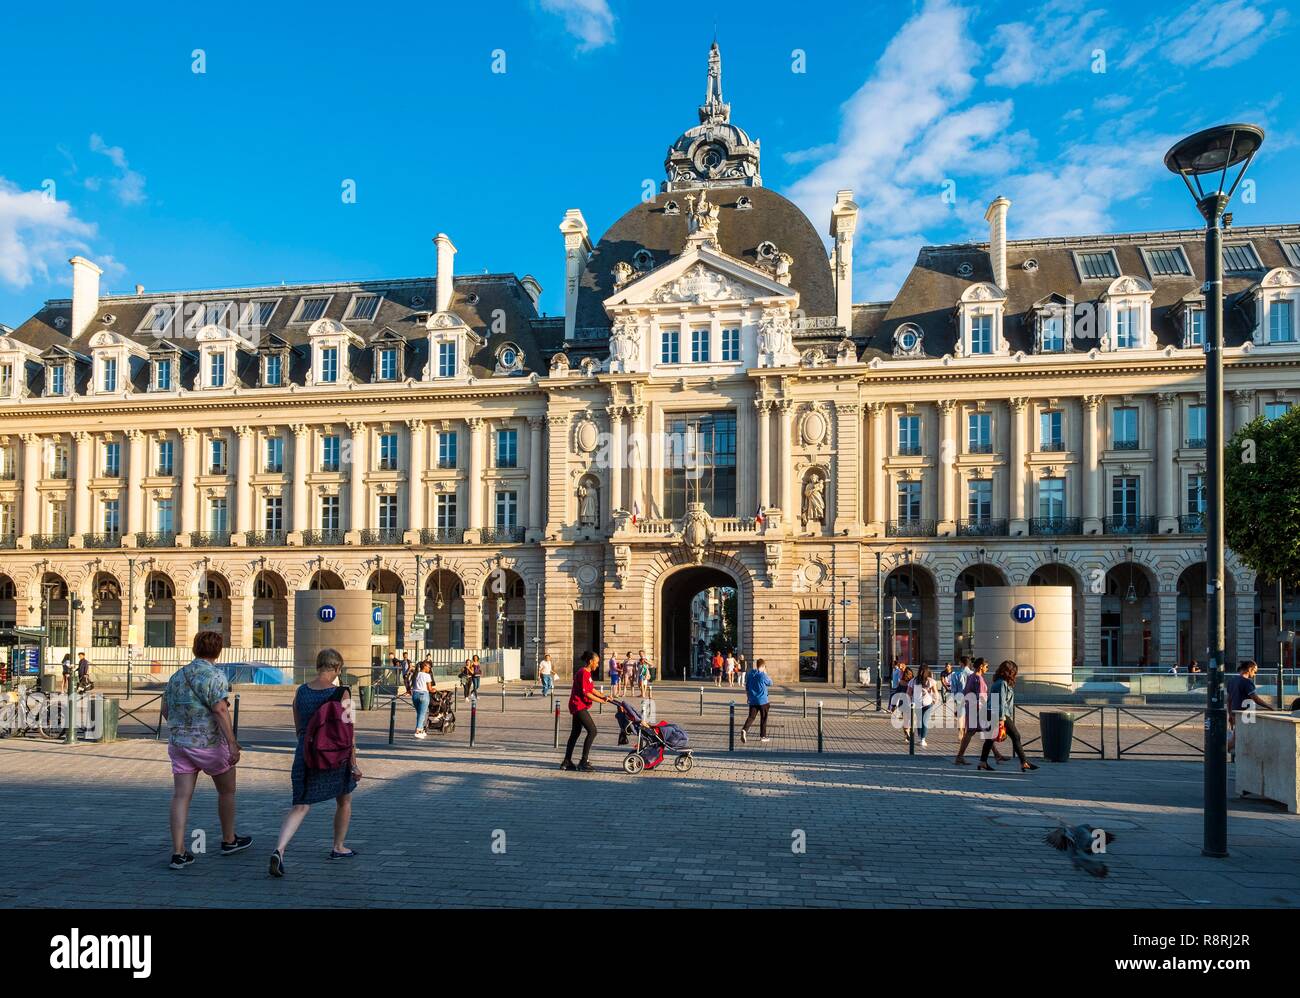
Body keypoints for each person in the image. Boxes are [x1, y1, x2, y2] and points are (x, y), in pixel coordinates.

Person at [160, 630, 251, 870]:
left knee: (181, 796)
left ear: (194, 648)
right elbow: (220, 710)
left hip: (180, 744)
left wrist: (181, 727)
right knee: (227, 792)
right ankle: (229, 839)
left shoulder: (177, 676)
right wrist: (232, 742)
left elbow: (165, 710)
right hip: (209, 744)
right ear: (219, 650)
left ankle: (178, 852)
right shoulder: (215, 676)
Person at [269, 648, 361, 877]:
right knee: (344, 799)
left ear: (317, 666)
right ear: (338, 668)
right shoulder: (343, 693)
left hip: (306, 754)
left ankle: (279, 850)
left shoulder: (301, 692)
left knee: (300, 805)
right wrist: (354, 763)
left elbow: (299, 728)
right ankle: (338, 847)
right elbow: (350, 732)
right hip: (335, 756)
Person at [978, 661, 1038, 772]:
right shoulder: (1002, 683)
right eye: (1014, 671)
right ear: (1010, 671)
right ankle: (1024, 762)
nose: (1015, 674)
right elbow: (1001, 701)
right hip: (1000, 713)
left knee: (990, 738)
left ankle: (983, 762)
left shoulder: (998, 681)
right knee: (1016, 736)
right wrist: (1001, 719)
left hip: (993, 712)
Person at [561, 651, 609, 772]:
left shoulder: (587, 674)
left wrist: (604, 696)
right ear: (590, 662)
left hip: (578, 705)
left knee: (575, 733)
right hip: (578, 706)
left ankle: (567, 761)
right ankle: (583, 761)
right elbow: (586, 693)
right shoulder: (583, 673)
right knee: (592, 731)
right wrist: (600, 701)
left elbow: (591, 689)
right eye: (596, 662)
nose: (597, 665)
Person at [954, 658, 1005, 765]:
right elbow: (981, 697)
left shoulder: (971, 677)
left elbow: (965, 692)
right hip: (978, 710)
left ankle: (997, 755)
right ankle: (960, 756)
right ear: (981, 666)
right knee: (981, 732)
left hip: (971, 708)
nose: (987, 668)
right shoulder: (979, 679)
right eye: (986, 666)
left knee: (981, 732)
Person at [1227, 660, 1272, 751]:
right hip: (1246, 716)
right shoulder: (1247, 682)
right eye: (1255, 671)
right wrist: (1269, 707)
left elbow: (1229, 700)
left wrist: (1230, 714)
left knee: (1239, 737)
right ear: (1250, 669)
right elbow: (1256, 699)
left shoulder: (1231, 681)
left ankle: (1232, 755)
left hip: (1236, 714)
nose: (1255, 674)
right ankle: (1219, 753)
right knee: (1239, 738)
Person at [740, 659, 773, 743]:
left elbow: (747, 687)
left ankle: (744, 730)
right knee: (763, 718)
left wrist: (748, 697)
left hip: (753, 700)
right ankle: (763, 736)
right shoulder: (763, 675)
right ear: (762, 666)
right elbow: (770, 683)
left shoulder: (751, 674)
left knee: (751, 717)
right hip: (763, 701)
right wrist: (766, 673)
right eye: (764, 667)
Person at [907, 664, 939, 747]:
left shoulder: (930, 681)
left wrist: (935, 700)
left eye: (923, 671)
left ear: (926, 672)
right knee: (919, 721)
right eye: (920, 670)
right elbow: (909, 692)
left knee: (924, 721)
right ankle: (920, 737)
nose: (921, 672)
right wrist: (910, 702)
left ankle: (923, 739)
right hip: (916, 704)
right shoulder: (913, 681)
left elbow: (935, 691)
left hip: (928, 704)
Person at [949, 657, 973, 735]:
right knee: (968, 715)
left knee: (960, 715)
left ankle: (961, 732)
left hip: (960, 697)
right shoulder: (972, 674)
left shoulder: (956, 674)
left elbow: (953, 688)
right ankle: (967, 732)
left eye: (959, 662)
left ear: (961, 663)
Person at [412, 661, 434, 739]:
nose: (430, 669)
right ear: (425, 666)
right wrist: (434, 690)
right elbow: (430, 688)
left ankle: (421, 729)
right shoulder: (427, 675)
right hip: (423, 695)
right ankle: (418, 731)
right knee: (422, 714)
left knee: (419, 713)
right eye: (429, 667)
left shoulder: (415, 674)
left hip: (415, 695)